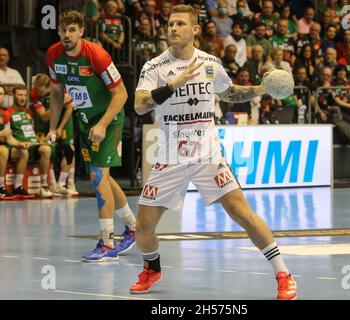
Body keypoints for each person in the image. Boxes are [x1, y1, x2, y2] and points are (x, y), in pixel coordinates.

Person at [131, 4, 297, 300]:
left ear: (195, 29)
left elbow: (228, 91)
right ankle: (152, 268)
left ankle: (283, 273)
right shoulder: (154, 67)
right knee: (142, 230)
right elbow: (140, 104)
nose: (172, 28)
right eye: (170, 24)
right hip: (170, 154)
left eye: (180, 24)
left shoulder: (209, 63)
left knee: (241, 213)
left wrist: (260, 88)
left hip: (206, 152)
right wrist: (172, 86)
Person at [46, 10, 136, 262]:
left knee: (97, 175)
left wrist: (103, 125)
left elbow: (121, 94)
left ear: (82, 31)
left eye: (72, 29)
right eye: (63, 30)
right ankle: (132, 226)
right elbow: (55, 93)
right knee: (102, 176)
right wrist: (53, 128)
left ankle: (107, 242)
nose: (66, 34)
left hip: (108, 119)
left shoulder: (97, 55)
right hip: (85, 121)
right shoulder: (54, 54)